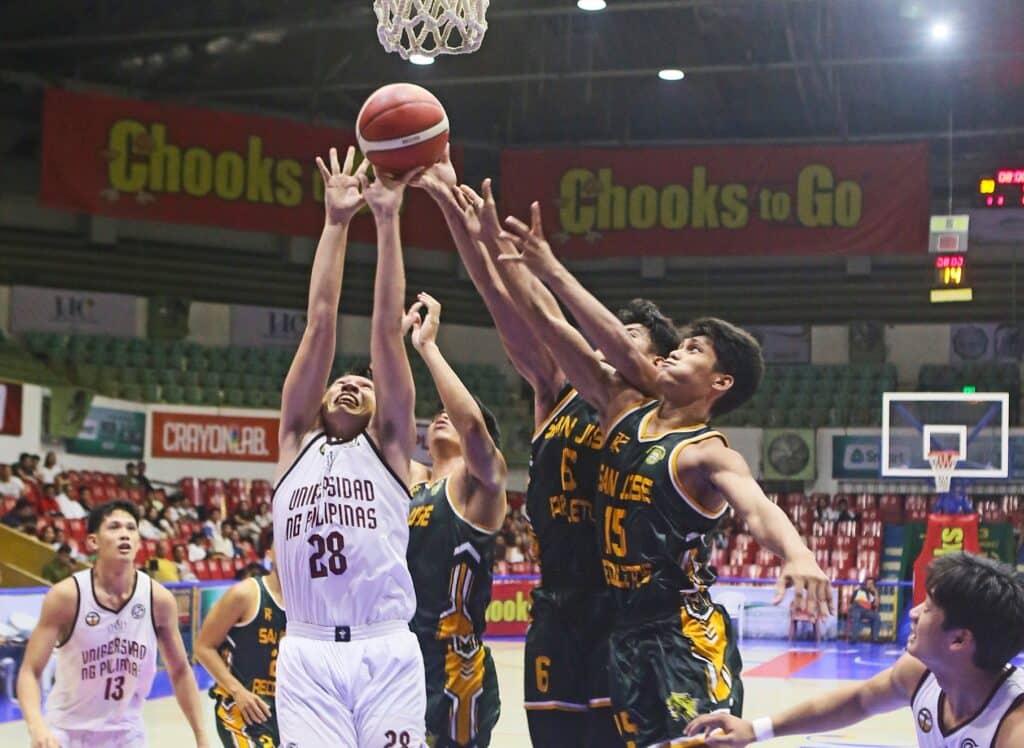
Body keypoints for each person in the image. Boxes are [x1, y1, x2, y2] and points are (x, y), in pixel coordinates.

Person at [498, 201, 832, 747]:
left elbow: (756, 506)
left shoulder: (707, 453)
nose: (676, 353)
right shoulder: (620, 410)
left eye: (693, 350)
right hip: (623, 635)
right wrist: (518, 261)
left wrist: (797, 554)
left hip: (681, 634)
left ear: (719, 383)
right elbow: (558, 331)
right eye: (678, 345)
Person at [415, 159, 676, 746]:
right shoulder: (557, 390)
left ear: (655, 364)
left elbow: (550, 311)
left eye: (627, 338)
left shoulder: (649, 404)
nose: (609, 342)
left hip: (620, 606)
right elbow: (507, 303)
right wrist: (458, 218)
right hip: (556, 607)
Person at [271, 145, 426, 746]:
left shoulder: (391, 450)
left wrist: (388, 221)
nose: (352, 383)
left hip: (384, 646)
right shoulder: (294, 442)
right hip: (307, 650)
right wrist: (336, 224)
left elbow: (388, 330)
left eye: (365, 384)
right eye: (342, 379)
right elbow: (320, 321)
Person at [686, 553, 1024, 747]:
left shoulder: (1013, 730)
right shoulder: (919, 675)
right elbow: (859, 700)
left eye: (929, 607)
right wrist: (756, 730)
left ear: (960, 640)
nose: (914, 612)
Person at [17, 500, 209, 747]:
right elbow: (30, 671)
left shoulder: (158, 600)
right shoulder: (66, 597)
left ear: (139, 541)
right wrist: (37, 727)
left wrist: (201, 734)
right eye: (114, 527)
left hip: (126, 734)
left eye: (131, 528)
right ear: (93, 542)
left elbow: (181, 670)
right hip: (66, 732)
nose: (124, 534)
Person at [405, 293, 508, 747]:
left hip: (453, 666)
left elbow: (471, 427)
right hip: (398, 653)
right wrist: (394, 334)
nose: (442, 414)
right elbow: (382, 424)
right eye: (436, 415)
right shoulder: (411, 481)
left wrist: (428, 347)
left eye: (455, 414)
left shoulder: (478, 485)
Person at [196, 531, 286, 748]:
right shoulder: (245, 594)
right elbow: (203, 647)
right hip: (243, 709)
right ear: (270, 554)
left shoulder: (309, 603)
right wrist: (237, 691)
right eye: (282, 545)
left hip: (287, 709)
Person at [847, 577, 882, 642]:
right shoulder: (858, 590)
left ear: (873, 585)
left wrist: (876, 592)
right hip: (857, 609)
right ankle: (854, 639)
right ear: (865, 583)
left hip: (867, 611)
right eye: (868, 583)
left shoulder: (873, 593)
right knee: (856, 617)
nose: (869, 584)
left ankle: (875, 638)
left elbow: (876, 605)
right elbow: (851, 603)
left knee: (877, 617)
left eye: (871, 583)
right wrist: (850, 609)